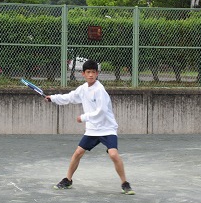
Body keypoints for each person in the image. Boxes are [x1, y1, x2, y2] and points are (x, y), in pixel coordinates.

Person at [45, 60, 135, 195]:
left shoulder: (100, 90)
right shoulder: (83, 89)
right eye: (88, 72)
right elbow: (69, 97)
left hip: (107, 128)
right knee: (78, 153)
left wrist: (84, 117)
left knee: (113, 154)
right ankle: (67, 180)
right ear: (83, 74)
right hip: (92, 130)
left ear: (97, 74)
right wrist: (52, 98)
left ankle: (125, 183)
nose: (91, 75)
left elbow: (102, 111)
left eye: (93, 72)